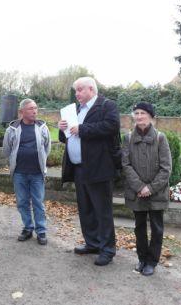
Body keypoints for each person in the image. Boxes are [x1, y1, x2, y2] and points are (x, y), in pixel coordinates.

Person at [58, 77, 120, 266]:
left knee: (102, 210)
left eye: (79, 90)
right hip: (79, 168)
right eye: (75, 90)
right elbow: (67, 137)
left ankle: (107, 249)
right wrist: (62, 130)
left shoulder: (107, 106)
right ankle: (92, 243)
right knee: (86, 209)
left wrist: (82, 128)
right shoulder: (76, 110)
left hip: (99, 167)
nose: (76, 94)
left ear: (91, 89)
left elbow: (111, 127)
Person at [121, 102, 172, 276]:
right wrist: (139, 186)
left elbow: (166, 168)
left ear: (151, 116)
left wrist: (150, 188)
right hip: (137, 193)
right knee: (139, 227)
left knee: (157, 228)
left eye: (143, 113)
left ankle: (152, 261)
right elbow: (125, 164)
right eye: (136, 113)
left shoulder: (160, 138)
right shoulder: (128, 138)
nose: (139, 116)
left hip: (156, 193)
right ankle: (142, 259)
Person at [3, 99, 51, 245]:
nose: (34, 111)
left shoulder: (42, 127)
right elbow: (7, 150)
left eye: (36, 108)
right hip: (19, 173)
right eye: (30, 109)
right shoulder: (12, 129)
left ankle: (41, 231)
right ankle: (28, 228)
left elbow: (47, 147)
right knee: (22, 202)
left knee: (38, 203)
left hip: (37, 173)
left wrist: (41, 162)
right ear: (21, 112)